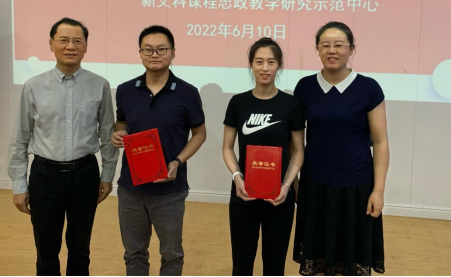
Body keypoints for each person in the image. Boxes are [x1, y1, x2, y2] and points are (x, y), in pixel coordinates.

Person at [8, 17, 119, 276]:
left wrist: (107, 175)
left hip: (85, 174)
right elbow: (20, 137)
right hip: (45, 176)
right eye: (64, 40)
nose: (70, 46)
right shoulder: (33, 86)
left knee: (80, 249)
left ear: (86, 46)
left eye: (77, 41)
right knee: (46, 251)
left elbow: (107, 133)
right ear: (51, 44)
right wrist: (19, 184)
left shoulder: (100, 85)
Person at [293, 22, 390, 277]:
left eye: (339, 45)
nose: (332, 50)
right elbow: (295, 142)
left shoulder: (368, 88)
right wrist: (294, 183)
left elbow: (381, 142)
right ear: (317, 49)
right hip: (315, 184)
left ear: (351, 49)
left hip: (356, 187)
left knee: (351, 262)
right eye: (325, 45)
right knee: (318, 260)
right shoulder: (305, 87)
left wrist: (378, 190)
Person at [111, 25, 207, 277]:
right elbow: (122, 123)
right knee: (134, 253)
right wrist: (118, 134)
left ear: (173, 52)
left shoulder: (187, 92)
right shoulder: (125, 90)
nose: (155, 54)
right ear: (140, 53)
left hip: (170, 190)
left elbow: (199, 134)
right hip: (131, 188)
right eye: (148, 49)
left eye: (161, 49)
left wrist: (177, 161)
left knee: (172, 255)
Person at [223, 38, 306, 276]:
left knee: (274, 265)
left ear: (279, 65)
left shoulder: (291, 104)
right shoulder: (238, 102)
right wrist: (237, 177)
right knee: (241, 263)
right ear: (251, 65)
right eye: (259, 61)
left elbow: (298, 150)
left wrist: (286, 186)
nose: (265, 68)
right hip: (244, 195)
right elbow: (227, 147)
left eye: (271, 62)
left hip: (279, 198)